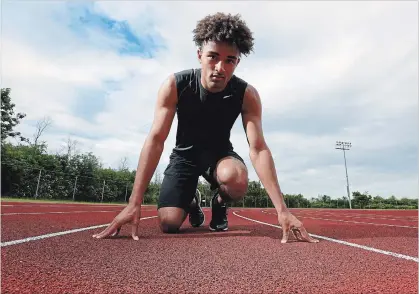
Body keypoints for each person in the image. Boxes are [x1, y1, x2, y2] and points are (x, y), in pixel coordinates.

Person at [93, 12, 319, 244]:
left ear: (237, 62)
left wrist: (282, 210)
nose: (220, 67)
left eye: (230, 60)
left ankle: (219, 204)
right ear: (200, 55)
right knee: (168, 223)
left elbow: (259, 149)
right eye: (213, 56)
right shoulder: (175, 85)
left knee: (236, 179)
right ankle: (191, 201)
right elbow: (156, 139)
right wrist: (134, 203)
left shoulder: (246, 94)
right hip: (184, 156)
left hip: (219, 156)